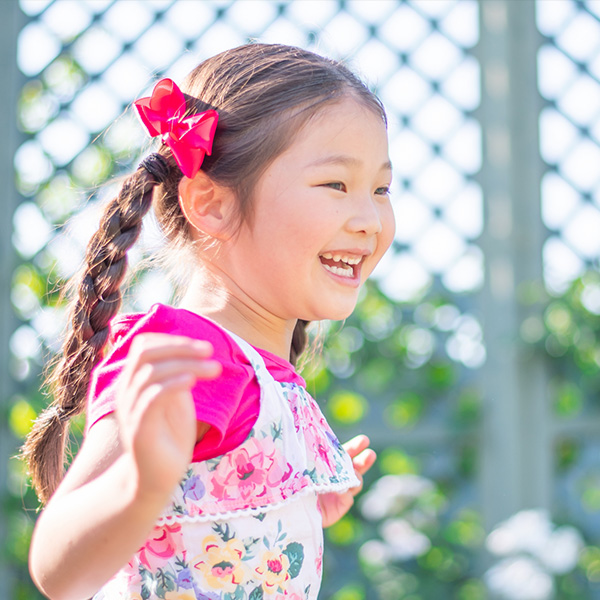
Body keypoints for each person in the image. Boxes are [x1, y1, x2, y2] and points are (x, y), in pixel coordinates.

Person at [24, 43, 395, 600]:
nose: (370, 219)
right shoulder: (186, 351)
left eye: (381, 189)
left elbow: (203, 517)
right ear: (211, 204)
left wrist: (299, 507)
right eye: (336, 185)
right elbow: (59, 570)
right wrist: (141, 482)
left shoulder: (266, 372)